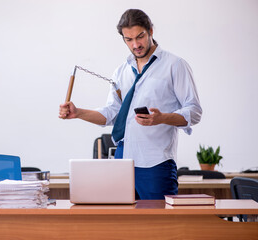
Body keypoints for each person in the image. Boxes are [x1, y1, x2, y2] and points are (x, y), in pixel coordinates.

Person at [59, 9, 202, 200]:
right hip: (122, 161)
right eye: (129, 39)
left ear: (151, 30)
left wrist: (162, 118)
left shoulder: (175, 65)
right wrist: (78, 113)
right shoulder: (121, 72)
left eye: (140, 36)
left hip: (156, 163)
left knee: (159, 227)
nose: (136, 44)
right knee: (123, 226)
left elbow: (194, 111)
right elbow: (113, 113)